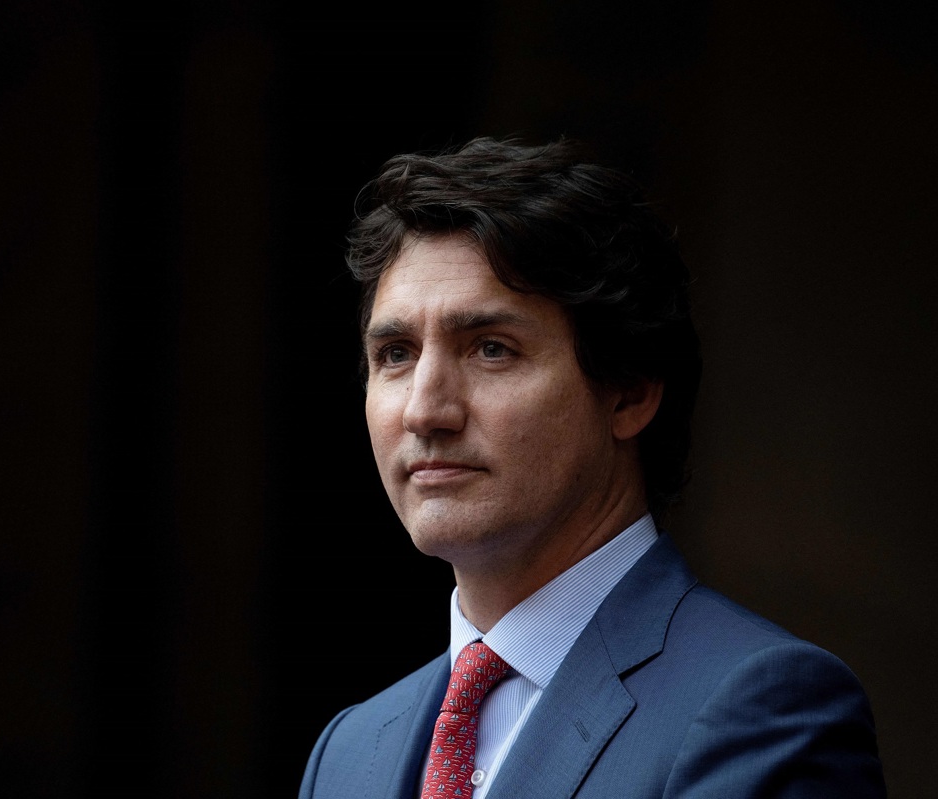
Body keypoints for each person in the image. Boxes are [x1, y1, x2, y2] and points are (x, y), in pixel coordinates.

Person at [298, 137, 886, 798]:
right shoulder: (346, 752)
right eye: (396, 354)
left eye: (491, 348)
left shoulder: (764, 711)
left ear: (630, 389)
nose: (426, 410)